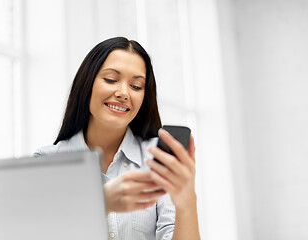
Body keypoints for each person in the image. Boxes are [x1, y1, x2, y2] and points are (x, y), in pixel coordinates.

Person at [34, 37, 200, 240]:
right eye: (111, 80)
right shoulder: (46, 162)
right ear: (87, 84)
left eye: (136, 86)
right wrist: (102, 203)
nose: (123, 93)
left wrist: (187, 202)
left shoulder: (158, 162)